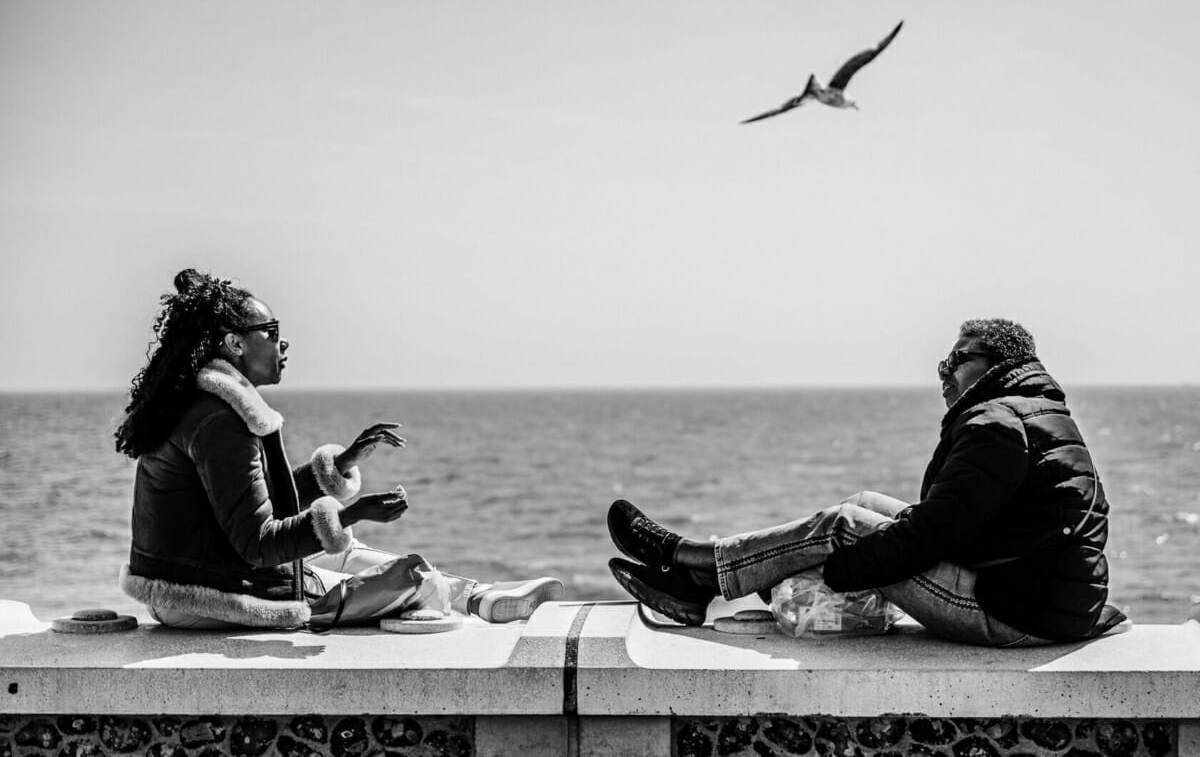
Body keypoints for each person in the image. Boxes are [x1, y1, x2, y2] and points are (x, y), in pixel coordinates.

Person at [607, 318, 1122, 646]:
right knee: (864, 503)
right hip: (1045, 601)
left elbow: (934, 535)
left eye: (956, 361)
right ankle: (702, 578)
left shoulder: (997, 424)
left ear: (999, 364)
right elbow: (960, 524)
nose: (944, 374)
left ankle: (692, 564)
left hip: (1014, 613)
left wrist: (842, 568)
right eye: (941, 364)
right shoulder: (1032, 414)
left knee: (844, 526)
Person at [115, 268, 562, 629]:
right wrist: (350, 513)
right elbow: (257, 543)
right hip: (208, 599)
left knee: (347, 552)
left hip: (186, 582)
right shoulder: (220, 421)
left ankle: (483, 597)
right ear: (235, 343)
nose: (282, 343)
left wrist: (341, 464)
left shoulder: (203, 406)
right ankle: (474, 600)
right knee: (412, 579)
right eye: (271, 331)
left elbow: (252, 505)